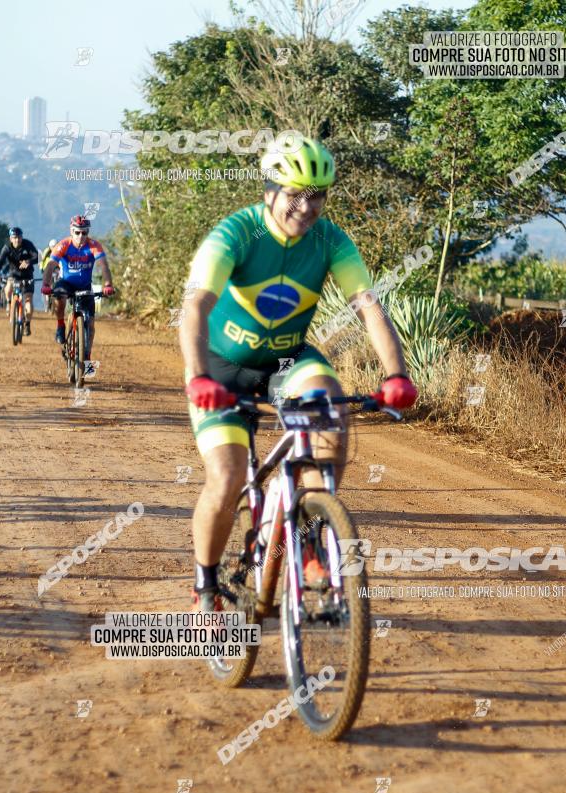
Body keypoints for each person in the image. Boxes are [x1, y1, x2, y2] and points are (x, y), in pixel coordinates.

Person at [179, 136, 417, 611]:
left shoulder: (331, 240)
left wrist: (396, 374)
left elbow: (368, 308)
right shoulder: (236, 233)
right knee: (225, 480)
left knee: (329, 406)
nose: (306, 207)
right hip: (221, 368)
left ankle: (308, 538)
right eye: (295, 194)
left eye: (318, 195)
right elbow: (196, 305)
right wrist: (199, 375)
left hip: (288, 361)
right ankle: (206, 586)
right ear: (269, 191)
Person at [41, 216, 115, 368]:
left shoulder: (93, 245)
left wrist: (107, 284)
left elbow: (103, 265)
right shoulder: (64, 245)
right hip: (66, 283)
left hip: (85, 286)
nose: (81, 236)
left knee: (92, 325)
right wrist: (46, 284)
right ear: (71, 231)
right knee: (59, 296)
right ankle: (60, 325)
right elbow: (50, 266)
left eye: (84, 233)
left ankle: (86, 354)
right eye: (77, 233)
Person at [0, 227, 39, 335]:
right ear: (10, 239)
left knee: (28, 300)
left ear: (22, 237)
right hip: (14, 274)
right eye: (14, 237)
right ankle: (9, 303)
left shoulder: (27, 244)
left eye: (19, 237)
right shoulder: (7, 248)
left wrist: (28, 261)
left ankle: (27, 323)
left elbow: (37, 256)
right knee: (8, 288)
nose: (17, 240)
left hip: (27, 275)